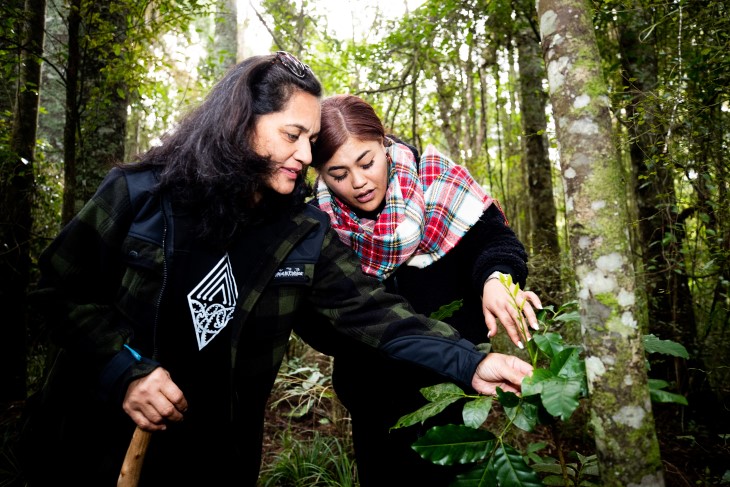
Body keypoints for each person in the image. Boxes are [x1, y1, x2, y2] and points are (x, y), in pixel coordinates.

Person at [18, 53, 533, 486]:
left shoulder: (301, 232)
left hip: (218, 451)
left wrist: (470, 362)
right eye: (293, 135)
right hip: (91, 434)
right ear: (242, 121)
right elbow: (56, 291)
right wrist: (125, 369)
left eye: (310, 140)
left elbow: (375, 313)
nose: (305, 155)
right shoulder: (140, 194)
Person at [304, 94, 543, 486]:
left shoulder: (438, 183)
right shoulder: (318, 224)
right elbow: (322, 318)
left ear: (384, 143)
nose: (359, 182)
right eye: (338, 174)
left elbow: (497, 243)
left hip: (453, 392)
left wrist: (496, 278)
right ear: (321, 174)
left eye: (367, 162)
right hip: (373, 404)